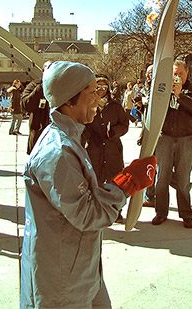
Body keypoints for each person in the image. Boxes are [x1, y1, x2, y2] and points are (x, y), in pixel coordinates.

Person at [20, 61, 156, 308]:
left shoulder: (71, 138)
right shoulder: (57, 153)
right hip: (62, 279)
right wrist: (128, 182)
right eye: (92, 92)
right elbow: (89, 214)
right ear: (70, 99)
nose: (99, 99)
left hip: (82, 265)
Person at [152, 60, 192, 229]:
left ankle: (186, 215)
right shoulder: (164, 87)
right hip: (165, 137)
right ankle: (161, 213)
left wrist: (180, 95)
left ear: (187, 73)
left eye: (180, 73)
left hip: (186, 138)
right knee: (161, 178)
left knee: (183, 179)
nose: (176, 77)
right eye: (174, 74)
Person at [83, 75, 130, 223]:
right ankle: (97, 210)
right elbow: (83, 124)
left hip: (112, 149)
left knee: (114, 179)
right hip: (94, 149)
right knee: (95, 179)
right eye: (98, 87)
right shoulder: (88, 104)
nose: (101, 90)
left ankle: (116, 211)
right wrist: (89, 137)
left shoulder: (115, 106)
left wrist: (114, 132)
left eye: (104, 87)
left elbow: (124, 124)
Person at [21, 61, 52, 154]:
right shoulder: (34, 85)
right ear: (43, 71)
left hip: (55, 136)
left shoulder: (61, 88)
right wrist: (40, 88)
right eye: (49, 69)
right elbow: (25, 106)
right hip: (38, 133)